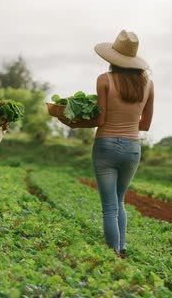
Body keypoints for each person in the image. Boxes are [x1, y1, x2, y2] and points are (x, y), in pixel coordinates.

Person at [61, 30, 154, 258]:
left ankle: (113, 253)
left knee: (109, 206)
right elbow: (145, 125)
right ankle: (121, 249)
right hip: (132, 148)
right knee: (120, 200)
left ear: (113, 57)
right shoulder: (148, 85)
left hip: (106, 147)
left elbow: (100, 120)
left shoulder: (105, 80)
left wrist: (75, 124)